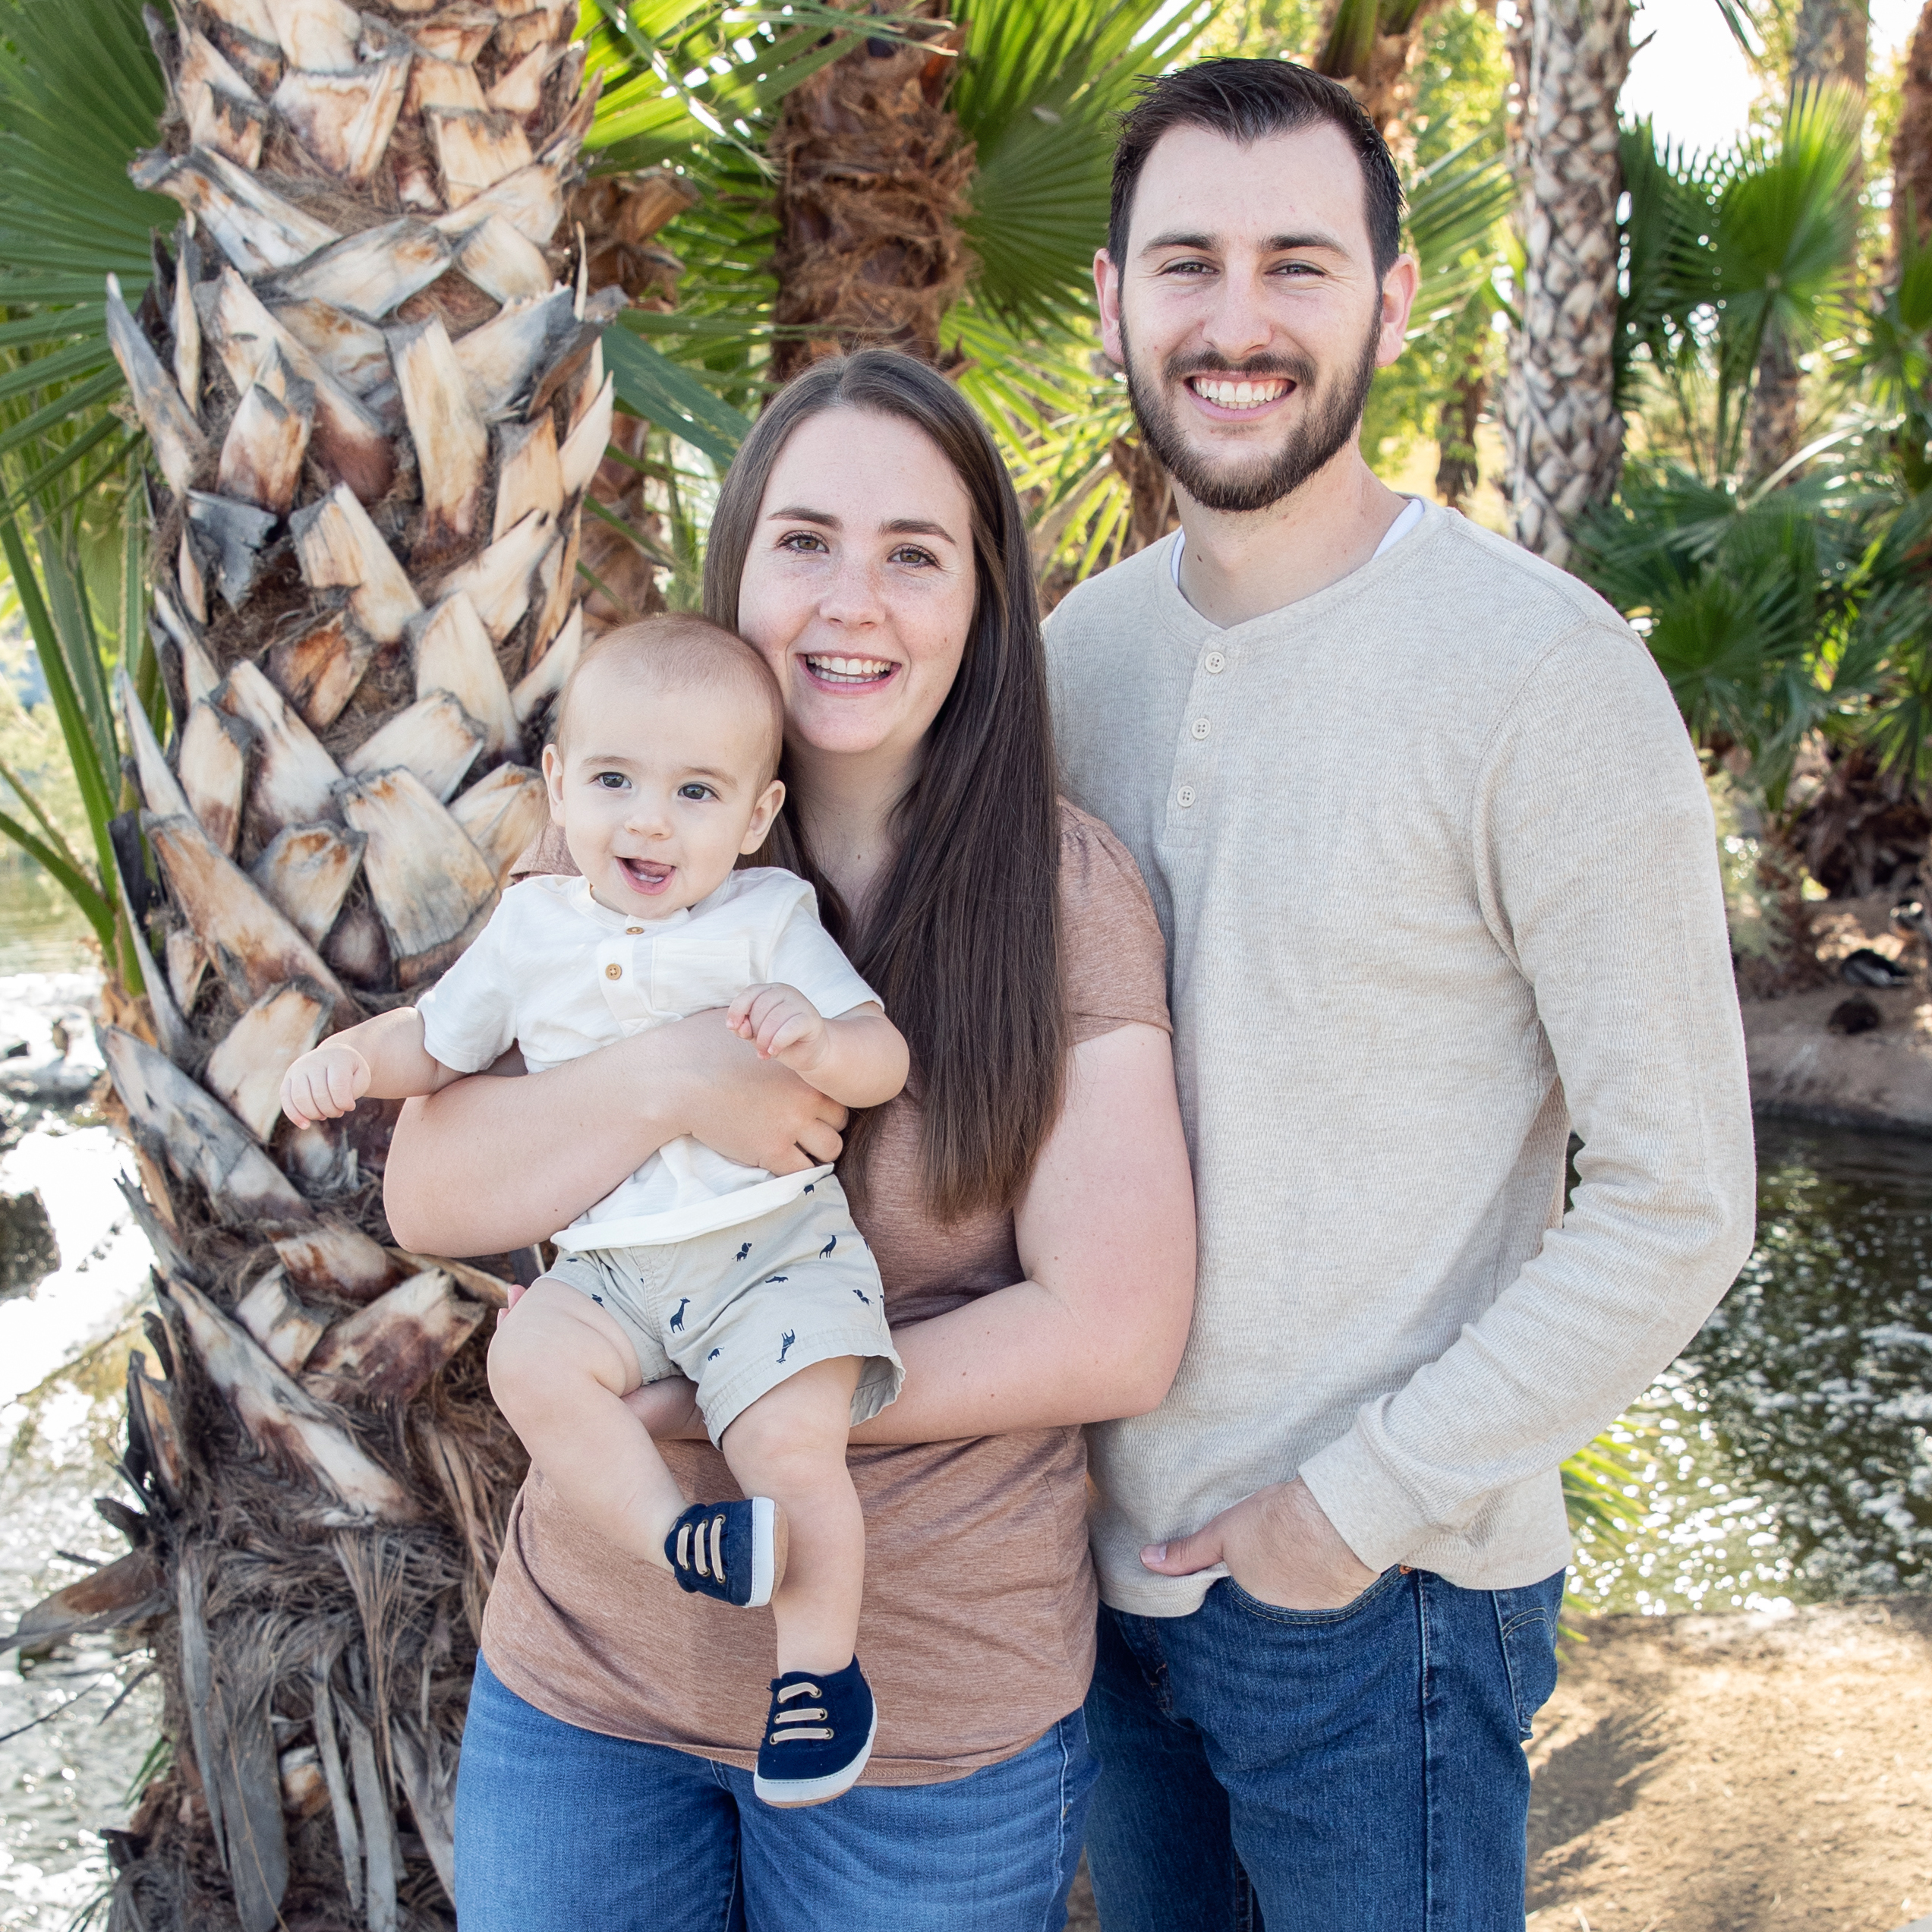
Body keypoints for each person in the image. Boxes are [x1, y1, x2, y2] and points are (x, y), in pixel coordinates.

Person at [1045, 59, 1757, 1931]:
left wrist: (1344, 1515)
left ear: (1392, 297)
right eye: (1187, 262)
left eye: (1299, 262)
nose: (1238, 321)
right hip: (1096, 1595)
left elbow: (1680, 1199)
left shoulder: (1542, 677)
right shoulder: (1066, 661)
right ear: (1111, 300)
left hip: (1378, 1615)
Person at [382, 351, 1198, 1927]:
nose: (852, 601)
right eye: (804, 542)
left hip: (922, 1707)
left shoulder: (1058, 891)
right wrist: (675, 1079)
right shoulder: (608, 846)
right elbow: (430, 1188)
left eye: (914, 554)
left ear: (981, 599)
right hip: (587, 1685)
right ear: (736, 563)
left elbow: (1116, 1331)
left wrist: (752, 1407)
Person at [282, 615, 913, 1807]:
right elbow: (438, 1042)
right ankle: (680, 1537)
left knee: (790, 1446)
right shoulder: (531, 927)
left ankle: (818, 1673)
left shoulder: (767, 918)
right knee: (530, 1357)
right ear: (559, 786)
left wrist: (823, 1039)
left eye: (694, 792)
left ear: (756, 815)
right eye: (615, 781)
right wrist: (355, 1060)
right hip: (612, 1266)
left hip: (767, 1249)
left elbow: (880, 1053)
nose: (649, 821)